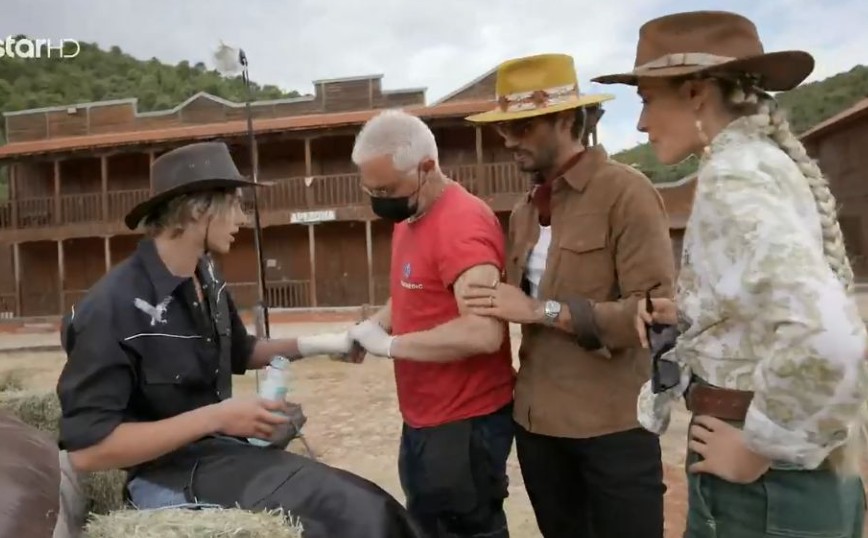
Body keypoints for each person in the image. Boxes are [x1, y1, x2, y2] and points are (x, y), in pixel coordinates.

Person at [54, 141, 426, 538]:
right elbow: (89, 450)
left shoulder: (207, 277)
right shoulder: (112, 307)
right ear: (197, 210)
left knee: (369, 505)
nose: (242, 219)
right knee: (351, 515)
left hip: (226, 455)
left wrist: (328, 342)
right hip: (168, 479)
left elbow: (241, 351)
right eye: (234, 205)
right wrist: (218, 417)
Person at [592, 10, 868, 537]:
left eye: (646, 100)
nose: (642, 123)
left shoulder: (735, 177)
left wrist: (760, 448)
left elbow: (830, 336)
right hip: (787, 483)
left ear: (696, 93)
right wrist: (702, 316)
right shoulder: (762, 162)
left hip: (763, 488)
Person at [458, 53, 676, 538]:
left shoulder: (627, 193)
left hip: (613, 427)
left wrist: (541, 310)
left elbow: (655, 316)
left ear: (565, 120)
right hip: (537, 427)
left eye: (523, 126)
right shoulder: (523, 212)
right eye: (503, 128)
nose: (508, 140)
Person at [345, 109, 516, 538]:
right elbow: (412, 291)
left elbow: (482, 331)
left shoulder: (462, 225)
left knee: (465, 529)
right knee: (425, 526)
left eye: (387, 189)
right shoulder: (411, 214)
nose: (379, 199)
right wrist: (373, 328)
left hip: (465, 421)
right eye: (371, 189)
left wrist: (391, 346)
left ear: (426, 167)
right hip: (423, 416)